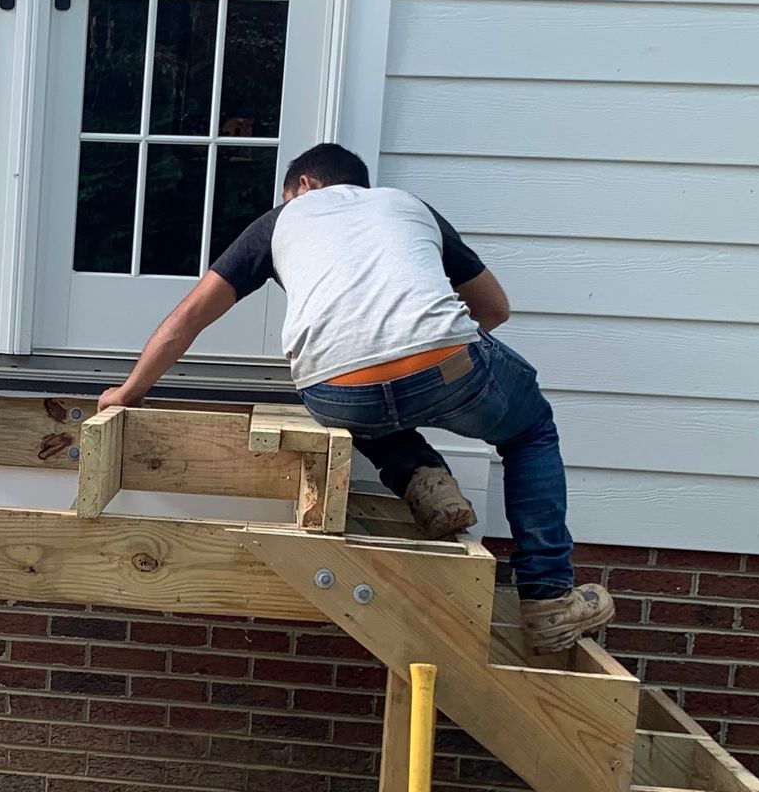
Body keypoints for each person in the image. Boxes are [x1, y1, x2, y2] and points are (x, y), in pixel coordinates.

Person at [97, 143, 613, 654]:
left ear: (303, 185)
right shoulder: (406, 206)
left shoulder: (280, 221)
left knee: (358, 393)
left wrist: (128, 392)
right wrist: (430, 343)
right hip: (445, 366)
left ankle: (424, 481)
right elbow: (494, 309)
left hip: (335, 390)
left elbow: (190, 317)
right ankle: (547, 599)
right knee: (529, 432)